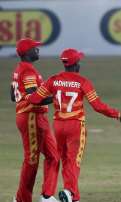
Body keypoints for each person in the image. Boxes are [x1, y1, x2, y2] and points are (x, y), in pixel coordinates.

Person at [25, 48, 121, 202]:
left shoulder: (53, 80)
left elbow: (34, 99)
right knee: (73, 160)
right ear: (76, 64)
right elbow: (97, 106)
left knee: (56, 159)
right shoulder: (83, 82)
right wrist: (114, 113)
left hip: (58, 125)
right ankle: (70, 193)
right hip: (76, 125)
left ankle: (47, 194)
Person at [11, 38, 59, 202]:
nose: (38, 50)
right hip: (31, 116)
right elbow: (34, 98)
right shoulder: (28, 71)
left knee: (53, 156)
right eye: (34, 48)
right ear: (26, 52)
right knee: (32, 160)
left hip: (38, 117)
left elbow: (13, 95)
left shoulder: (20, 69)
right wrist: (56, 98)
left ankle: (46, 196)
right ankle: (22, 199)